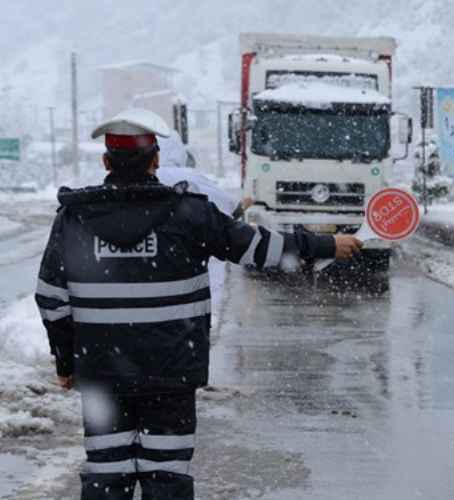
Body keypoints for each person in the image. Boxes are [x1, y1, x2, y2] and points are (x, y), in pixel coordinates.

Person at [34, 108, 362, 500]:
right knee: (167, 476)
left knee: (107, 476)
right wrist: (326, 244)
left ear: (106, 161)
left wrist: (67, 362)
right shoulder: (189, 213)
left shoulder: (74, 219)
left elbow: (51, 297)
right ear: (156, 160)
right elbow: (257, 247)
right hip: (170, 375)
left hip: (104, 376)